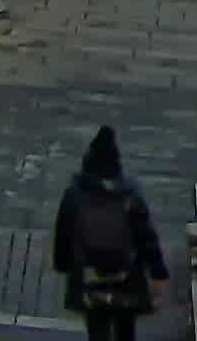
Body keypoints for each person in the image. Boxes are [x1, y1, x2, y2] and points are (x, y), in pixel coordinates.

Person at [54, 125, 171, 341]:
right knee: (126, 327)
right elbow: (146, 238)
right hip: (126, 274)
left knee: (97, 326)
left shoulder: (75, 194)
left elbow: (64, 233)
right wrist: (159, 274)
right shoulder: (129, 195)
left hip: (90, 274)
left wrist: (63, 264)